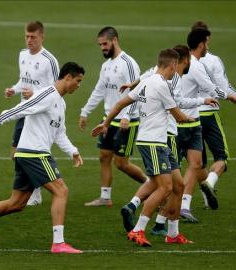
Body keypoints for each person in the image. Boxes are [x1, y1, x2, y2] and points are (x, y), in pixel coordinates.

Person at [0, 62, 84, 254]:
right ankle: (58, 243)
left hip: (28, 154)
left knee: (16, 204)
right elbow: (21, 108)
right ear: (68, 78)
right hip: (34, 153)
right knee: (61, 191)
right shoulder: (47, 94)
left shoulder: (60, 102)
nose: (79, 85)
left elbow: (59, 133)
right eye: (78, 81)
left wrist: (73, 151)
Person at [92, 49, 195, 246]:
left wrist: (106, 123)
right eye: (175, 67)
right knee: (164, 187)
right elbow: (178, 116)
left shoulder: (146, 81)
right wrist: (191, 118)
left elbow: (121, 102)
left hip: (158, 142)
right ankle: (138, 230)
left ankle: (173, 234)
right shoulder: (162, 85)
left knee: (179, 185)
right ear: (172, 65)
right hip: (152, 142)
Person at [119, 45, 218, 237]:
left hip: (164, 134)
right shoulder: (171, 80)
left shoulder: (161, 75)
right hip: (167, 135)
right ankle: (149, 224)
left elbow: (144, 80)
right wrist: (198, 105)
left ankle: (165, 228)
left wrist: (132, 85)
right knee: (166, 185)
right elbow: (177, 105)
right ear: (181, 61)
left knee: (174, 185)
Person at [80, 26, 147, 207]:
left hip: (127, 120)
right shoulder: (106, 65)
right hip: (108, 119)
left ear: (115, 40)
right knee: (104, 156)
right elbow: (99, 90)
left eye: (105, 43)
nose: (102, 47)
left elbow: (137, 91)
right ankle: (105, 197)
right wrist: (85, 111)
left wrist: (128, 115)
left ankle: (151, 185)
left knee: (121, 163)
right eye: (100, 45)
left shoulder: (128, 63)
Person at [178, 28, 236, 222]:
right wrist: (230, 95)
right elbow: (216, 87)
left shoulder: (177, 58)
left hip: (184, 117)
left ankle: (184, 205)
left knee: (195, 164)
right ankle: (208, 184)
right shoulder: (204, 62)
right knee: (221, 158)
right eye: (207, 42)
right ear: (202, 43)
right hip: (205, 114)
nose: (208, 46)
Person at [4, 21, 59, 206]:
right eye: (27, 36)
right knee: (16, 154)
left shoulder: (49, 61)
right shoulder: (22, 55)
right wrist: (14, 89)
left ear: (42, 37)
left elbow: (55, 90)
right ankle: (31, 190)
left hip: (40, 114)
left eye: (33, 37)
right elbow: (24, 80)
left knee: (32, 153)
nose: (29, 40)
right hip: (24, 111)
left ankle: (35, 193)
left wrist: (34, 94)